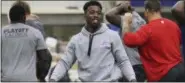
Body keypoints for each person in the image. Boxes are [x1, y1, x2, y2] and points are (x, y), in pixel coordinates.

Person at [49, 1, 136, 82]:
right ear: (85, 15)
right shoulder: (76, 40)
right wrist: (53, 79)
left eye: (98, 13)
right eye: (92, 12)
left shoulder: (112, 36)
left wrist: (132, 79)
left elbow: (123, 61)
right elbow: (65, 62)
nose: (96, 15)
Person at [122, 0, 185, 82]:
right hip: (181, 70)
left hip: (164, 74)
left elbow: (128, 40)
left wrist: (126, 22)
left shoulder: (147, 29)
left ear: (147, 11)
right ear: (160, 10)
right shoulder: (174, 25)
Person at [1, 4, 52, 82]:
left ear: (10, 17)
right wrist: (40, 76)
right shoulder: (35, 32)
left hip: (5, 79)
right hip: (28, 79)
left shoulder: (2, 32)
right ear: (24, 17)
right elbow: (45, 58)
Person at [106, 0, 146, 82]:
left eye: (118, 8)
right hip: (139, 64)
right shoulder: (140, 20)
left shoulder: (128, 19)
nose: (116, 9)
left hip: (132, 66)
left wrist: (121, 7)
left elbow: (109, 15)